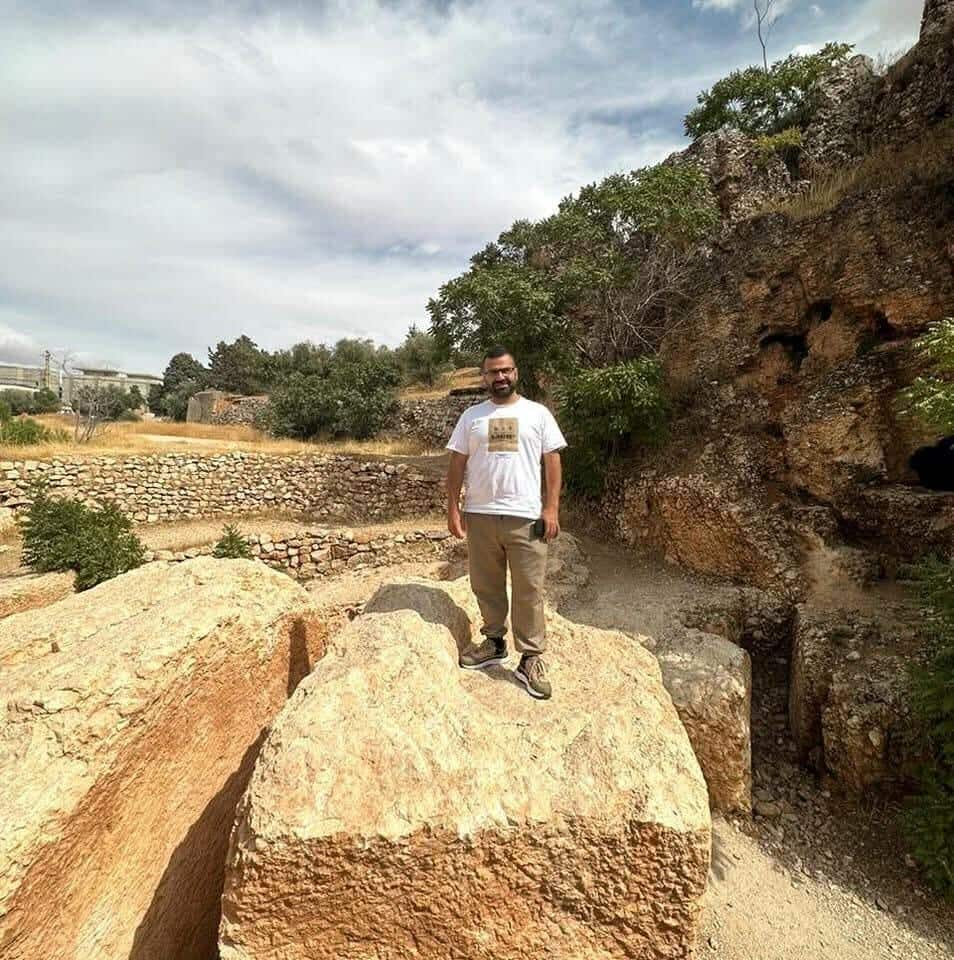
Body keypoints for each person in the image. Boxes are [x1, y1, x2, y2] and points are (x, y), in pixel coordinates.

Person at [445, 345, 567, 700]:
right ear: (484, 377)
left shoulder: (538, 414)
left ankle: (530, 658)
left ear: (516, 373)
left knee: (529, 589)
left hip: (525, 515)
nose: (500, 377)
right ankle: (494, 642)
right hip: (480, 515)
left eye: (506, 371)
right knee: (486, 584)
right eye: (493, 372)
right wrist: (453, 507)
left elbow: (553, 461)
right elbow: (456, 464)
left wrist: (552, 509)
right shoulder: (471, 417)